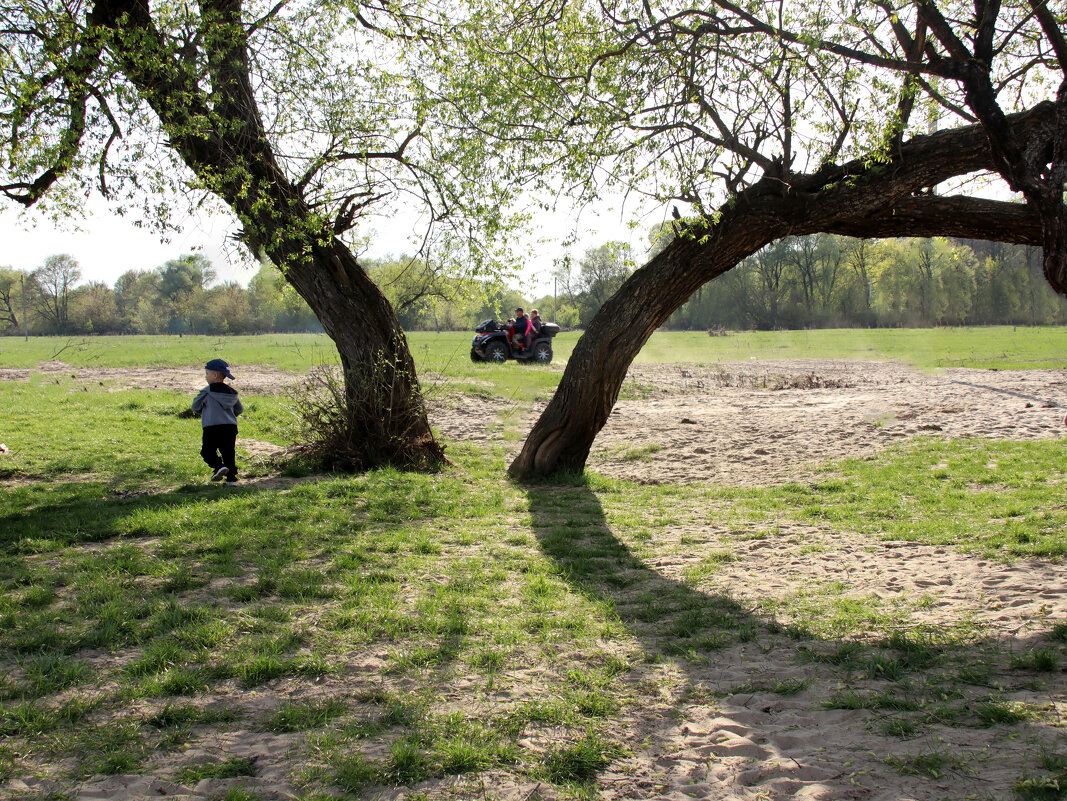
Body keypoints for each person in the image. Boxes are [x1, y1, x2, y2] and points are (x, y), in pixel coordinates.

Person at [192, 358, 243, 486]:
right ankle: (232, 480)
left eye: (207, 374)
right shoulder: (232, 393)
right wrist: (229, 415)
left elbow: (195, 407)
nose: (206, 376)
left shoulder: (206, 392)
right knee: (229, 453)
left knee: (207, 452)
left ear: (214, 375)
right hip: (230, 427)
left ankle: (218, 466)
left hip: (212, 427)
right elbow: (239, 409)